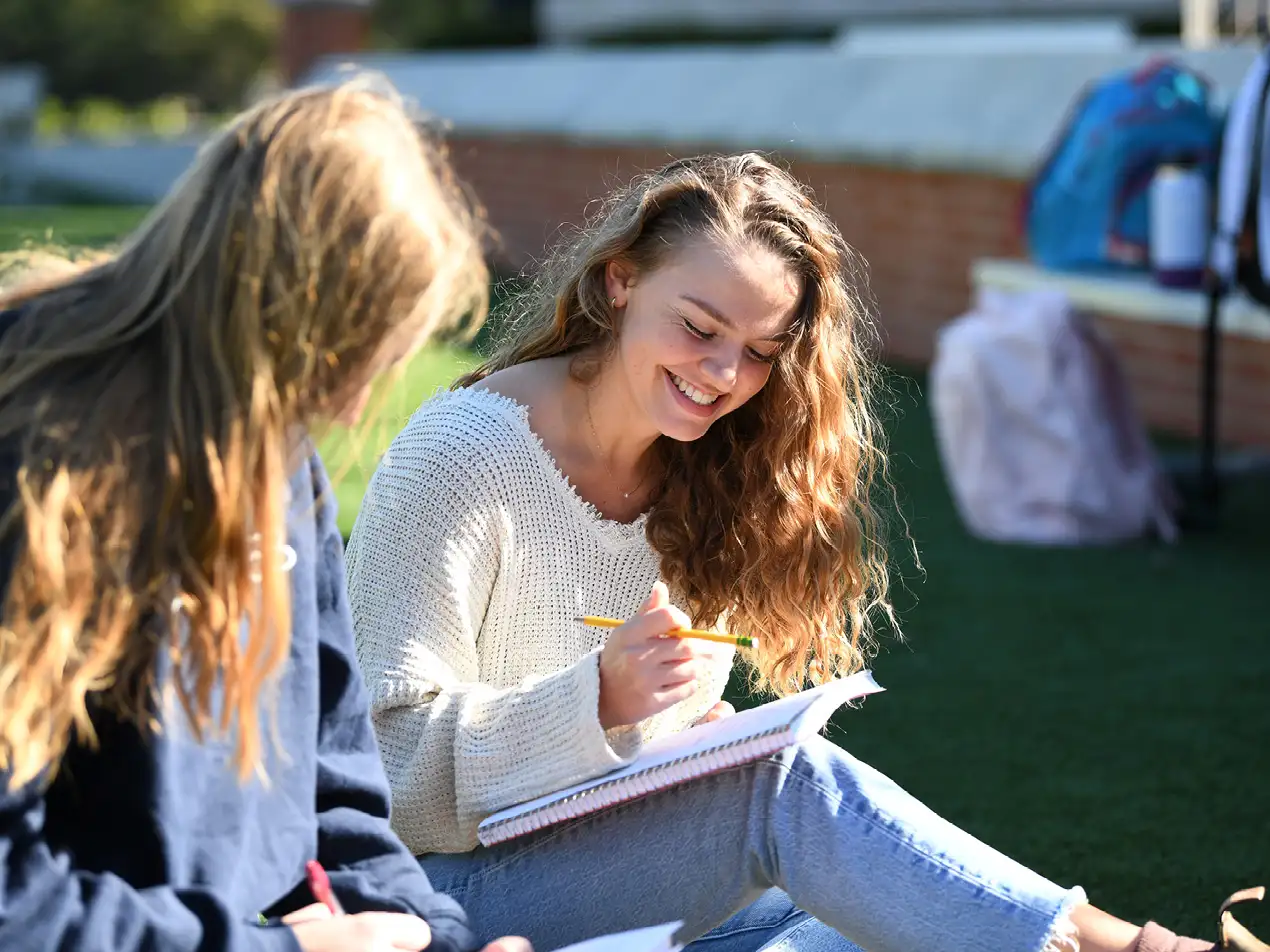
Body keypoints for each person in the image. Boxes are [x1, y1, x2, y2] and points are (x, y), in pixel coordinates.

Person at [346, 152, 1262, 952]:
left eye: (757, 353)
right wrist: (596, 700)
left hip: (622, 881)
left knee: (893, 928)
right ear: (620, 280)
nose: (720, 377)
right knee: (783, 790)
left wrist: (673, 750)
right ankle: (1137, 951)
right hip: (443, 900)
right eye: (700, 328)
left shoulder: (700, 469)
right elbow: (382, 781)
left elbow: (636, 756)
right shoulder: (461, 457)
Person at [0, 80, 527, 952]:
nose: (355, 409)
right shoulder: (36, 457)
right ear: (279, 311)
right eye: (353, 357)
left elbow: (335, 783)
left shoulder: (281, 454)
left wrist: (435, 937)